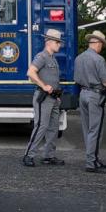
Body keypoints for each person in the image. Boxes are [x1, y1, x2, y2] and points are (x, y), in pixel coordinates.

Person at [22, 29, 65, 167]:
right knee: (41, 126)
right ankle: (28, 155)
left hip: (53, 98)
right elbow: (30, 72)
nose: (60, 45)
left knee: (53, 128)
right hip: (43, 97)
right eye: (58, 42)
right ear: (49, 42)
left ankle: (48, 156)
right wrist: (44, 86)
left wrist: (56, 96)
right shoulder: (42, 56)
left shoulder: (52, 58)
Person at [74, 30, 106, 174]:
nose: (101, 47)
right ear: (97, 43)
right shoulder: (98, 59)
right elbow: (105, 82)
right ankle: (92, 162)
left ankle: (92, 157)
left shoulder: (79, 58)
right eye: (101, 44)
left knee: (87, 129)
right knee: (96, 129)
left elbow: (76, 78)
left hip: (83, 93)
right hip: (96, 95)